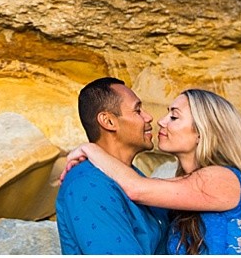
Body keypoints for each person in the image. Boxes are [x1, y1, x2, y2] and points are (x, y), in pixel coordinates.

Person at [63, 89, 241, 255]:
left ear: (202, 133)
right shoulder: (181, 189)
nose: (160, 121)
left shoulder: (223, 178)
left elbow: (136, 189)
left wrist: (91, 148)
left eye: (174, 116)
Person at [56, 77, 168, 254]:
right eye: (137, 110)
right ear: (108, 121)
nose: (149, 117)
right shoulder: (87, 186)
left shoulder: (133, 176)